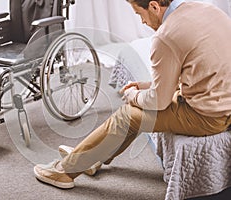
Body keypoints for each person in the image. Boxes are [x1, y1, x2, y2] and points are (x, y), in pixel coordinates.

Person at [33, 0, 231, 189]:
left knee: (127, 116)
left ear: (154, 6)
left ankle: (64, 172)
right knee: (136, 109)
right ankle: (91, 158)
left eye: (139, 14)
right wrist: (146, 86)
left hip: (208, 117)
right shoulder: (208, 10)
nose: (142, 22)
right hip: (221, 100)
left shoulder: (166, 36)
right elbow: (195, 68)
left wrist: (133, 95)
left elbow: (159, 102)